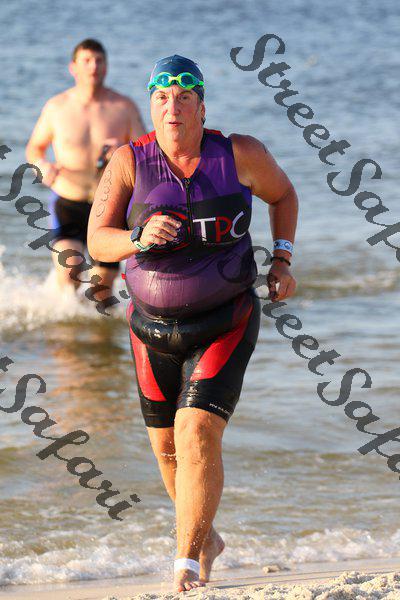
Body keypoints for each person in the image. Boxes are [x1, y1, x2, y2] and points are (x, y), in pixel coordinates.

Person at [87, 55, 298, 593]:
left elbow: (283, 195)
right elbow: (97, 240)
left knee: (197, 431)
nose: (172, 107)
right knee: (167, 451)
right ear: (151, 106)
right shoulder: (129, 162)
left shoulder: (240, 154)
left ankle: (184, 564)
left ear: (202, 108)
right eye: (162, 98)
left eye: (184, 98)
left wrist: (282, 258)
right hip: (150, 330)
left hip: (226, 319)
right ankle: (205, 537)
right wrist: (136, 238)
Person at [26, 38, 146, 297]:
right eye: (87, 60)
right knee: (70, 271)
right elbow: (35, 148)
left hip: (109, 204)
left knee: (103, 288)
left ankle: (93, 322)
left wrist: (123, 150)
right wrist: (41, 166)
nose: (94, 66)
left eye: (99, 61)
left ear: (107, 66)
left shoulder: (123, 107)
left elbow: (146, 154)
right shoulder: (57, 107)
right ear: (73, 67)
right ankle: (67, 320)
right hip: (69, 200)